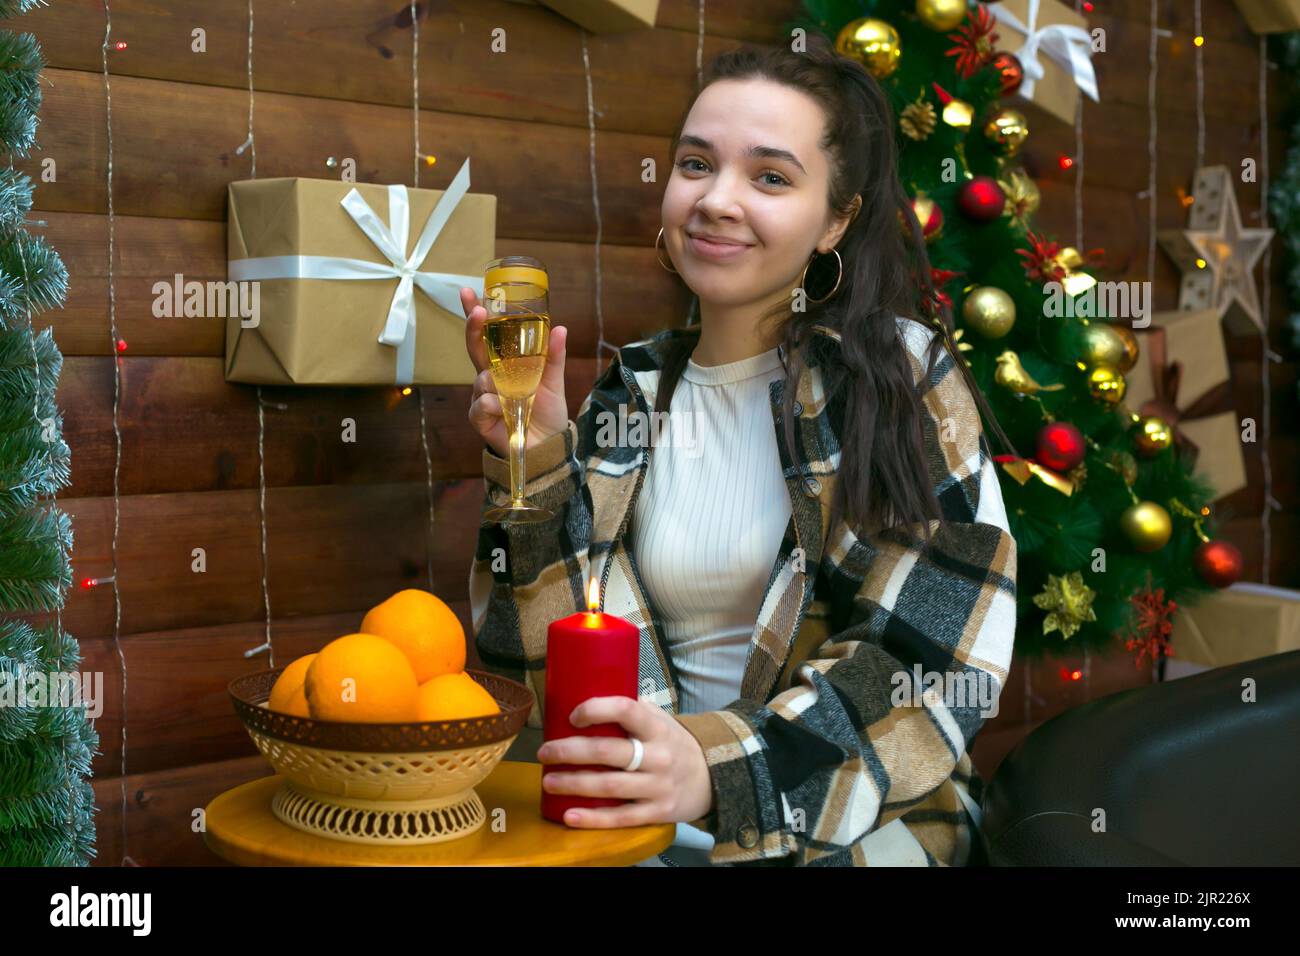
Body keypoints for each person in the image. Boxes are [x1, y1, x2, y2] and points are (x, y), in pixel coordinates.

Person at [463, 35, 1017, 867]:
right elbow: (532, 664)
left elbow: (930, 663)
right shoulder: (633, 392)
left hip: (855, 830)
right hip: (643, 829)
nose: (717, 200)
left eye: (769, 177)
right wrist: (534, 461)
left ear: (837, 218)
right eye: (696, 165)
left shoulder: (896, 376)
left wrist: (716, 773)